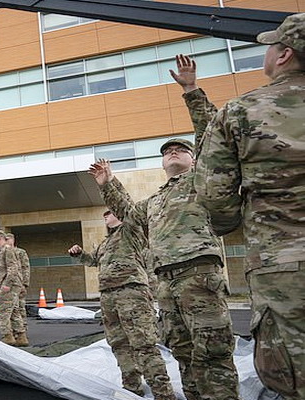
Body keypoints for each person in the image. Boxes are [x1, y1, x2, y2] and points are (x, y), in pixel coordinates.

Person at [87, 55, 238, 400]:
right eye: (167, 150)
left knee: (213, 350)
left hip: (198, 274)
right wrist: (108, 183)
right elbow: (128, 212)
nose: (172, 151)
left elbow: (211, 137)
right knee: (182, 351)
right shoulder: (155, 201)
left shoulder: (201, 180)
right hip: (165, 282)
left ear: (194, 159)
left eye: (179, 149)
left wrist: (191, 90)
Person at [192, 13, 305, 399]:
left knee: (294, 375)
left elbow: (215, 195)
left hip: (284, 266)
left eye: (271, 46)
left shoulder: (241, 111)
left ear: (285, 54)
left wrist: (234, 223)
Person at [68, 211, 175, 399]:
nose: (105, 216)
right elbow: (93, 260)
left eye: (109, 213)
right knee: (119, 343)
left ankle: (163, 393)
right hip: (108, 296)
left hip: (131, 292)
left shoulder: (131, 231)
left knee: (143, 343)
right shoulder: (106, 242)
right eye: (104, 214)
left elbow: (128, 211)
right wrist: (80, 254)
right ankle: (132, 387)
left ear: (119, 214)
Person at [0, 230, 24, 346]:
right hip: (12, 283)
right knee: (13, 311)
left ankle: (8, 337)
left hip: (10, 284)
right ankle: (21, 337)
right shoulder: (3, 250)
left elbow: (13, 268)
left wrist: (7, 284)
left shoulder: (7, 250)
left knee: (2, 310)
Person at [5, 233, 30, 347]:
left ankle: (22, 331)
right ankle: (12, 331)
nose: (6, 241)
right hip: (9, 284)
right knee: (10, 308)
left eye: (8, 239)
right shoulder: (4, 252)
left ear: (13, 240)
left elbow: (26, 268)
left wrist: (25, 283)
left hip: (19, 283)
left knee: (20, 307)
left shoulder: (20, 252)